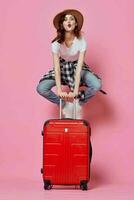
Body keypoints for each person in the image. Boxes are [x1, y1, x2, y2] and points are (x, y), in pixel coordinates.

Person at [36, 9, 106, 118]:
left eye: (71, 19)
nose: (68, 21)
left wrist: (76, 92)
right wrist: (59, 91)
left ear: (75, 23)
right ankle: (64, 105)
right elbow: (57, 69)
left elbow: (78, 70)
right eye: (65, 19)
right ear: (62, 24)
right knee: (41, 88)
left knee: (97, 84)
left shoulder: (81, 41)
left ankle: (77, 104)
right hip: (62, 67)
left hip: (77, 66)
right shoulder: (56, 44)